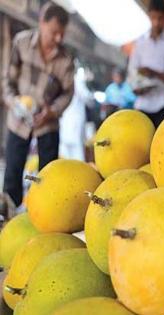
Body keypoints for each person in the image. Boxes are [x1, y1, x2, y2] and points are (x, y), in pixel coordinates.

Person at [1, 2, 74, 211]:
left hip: (48, 124)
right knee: (13, 173)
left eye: (62, 34)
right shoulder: (21, 43)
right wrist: (13, 101)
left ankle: (42, 216)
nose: (58, 38)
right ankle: (8, 217)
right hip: (18, 120)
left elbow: (68, 93)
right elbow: (7, 80)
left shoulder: (66, 60)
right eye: (54, 32)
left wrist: (52, 112)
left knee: (47, 178)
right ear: (42, 23)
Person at [128, 0, 164, 127]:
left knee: (159, 144)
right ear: (148, 16)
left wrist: (154, 73)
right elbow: (132, 73)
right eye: (153, 18)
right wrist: (136, 89)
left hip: (162, 106)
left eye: (160, 18)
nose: (156, 22)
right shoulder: (140, 44)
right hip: (141, 105)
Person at [59, 67, 93, 161]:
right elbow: (87, 98)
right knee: (77, 152)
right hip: (74, 120)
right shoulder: (77, 81)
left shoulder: (64, 79)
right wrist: (93, 97)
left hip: (66, 120)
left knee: (65, 151)